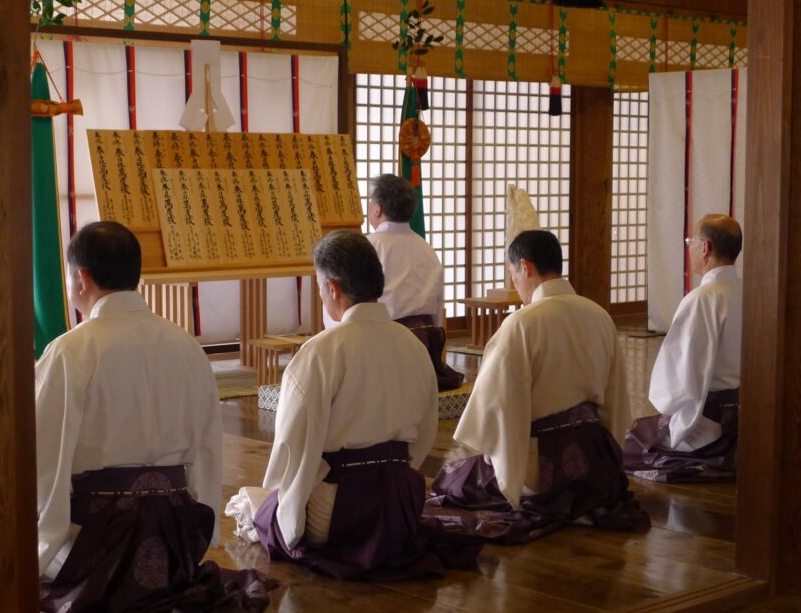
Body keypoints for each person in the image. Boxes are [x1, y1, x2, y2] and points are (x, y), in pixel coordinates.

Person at [36, 221, 270, 612]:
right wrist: (203, 531)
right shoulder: (187, 347)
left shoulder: (69, 352)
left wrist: (43, 544)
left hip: (94, 540)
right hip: (173, 537)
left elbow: (44, 463)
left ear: (81, 279)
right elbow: (208, 450)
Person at [231, 230, 478, 580]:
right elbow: (425, 434)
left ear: (333, 287)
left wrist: (281, 511)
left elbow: (293, 446)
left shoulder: (320, 351)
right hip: (400, 505)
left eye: (319, 286)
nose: (321, 295)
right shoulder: (413, 346)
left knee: (253, 505)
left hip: (337, 512)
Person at [425, 230, 649, 543]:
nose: (514, 282)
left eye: (512, 273)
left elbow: (496, 405)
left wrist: (497, 458)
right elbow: (616, 396)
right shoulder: (599, 314)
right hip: (596, 457)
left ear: (525, 266)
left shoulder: (522, 323)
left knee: (451, 479)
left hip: (542, 461)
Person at [624, 214, 743, 482]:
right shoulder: (748, 292)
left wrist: (673, 412)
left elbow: (679, 377)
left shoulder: (702, 299)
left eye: (691, 242)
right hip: (742, 418)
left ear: (705, 248)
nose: (689, 248)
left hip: (709, 422)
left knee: (625, 446)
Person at [366, 174, 463, 391]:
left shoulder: (369, 246)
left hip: (384, 347)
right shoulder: (425, 248)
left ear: (377, 208)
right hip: (426, 346)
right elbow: (438, 306)